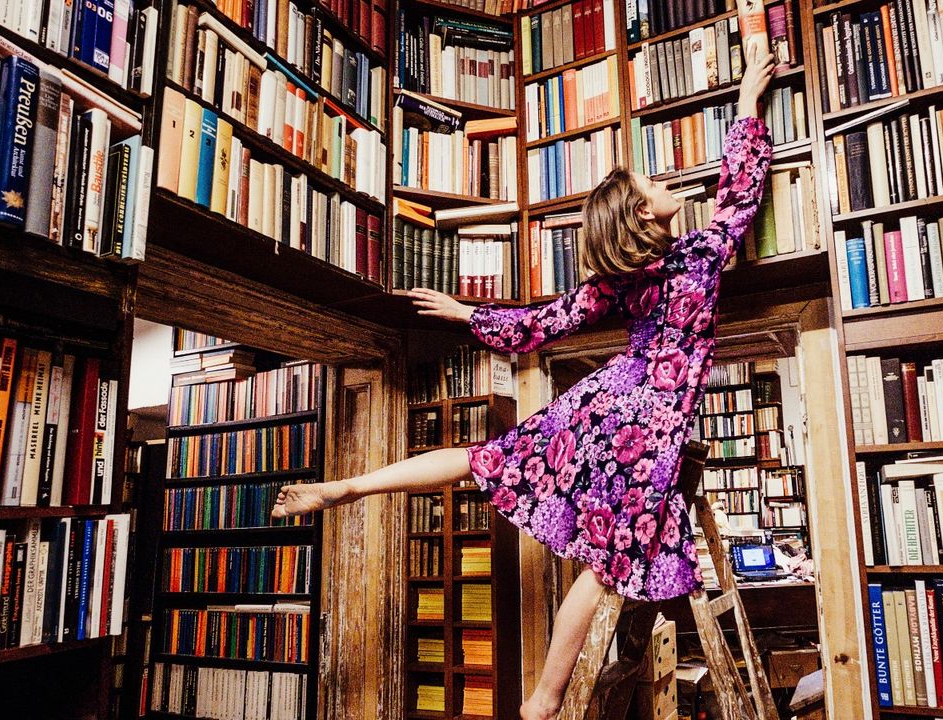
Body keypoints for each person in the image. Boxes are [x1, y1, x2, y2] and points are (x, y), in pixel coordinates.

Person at [272, 46, 777, 720]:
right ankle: (540, 702)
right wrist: (746, 106)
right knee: (602, 570)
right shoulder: (702, 257)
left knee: (490, 463)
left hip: (603, 406)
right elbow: (739, 194)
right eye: (651, 184)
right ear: (645, 218)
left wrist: (466, 314)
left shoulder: (617, 283)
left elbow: (540, 325)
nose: (664, 181)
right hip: (648, 429)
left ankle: (352, 486)